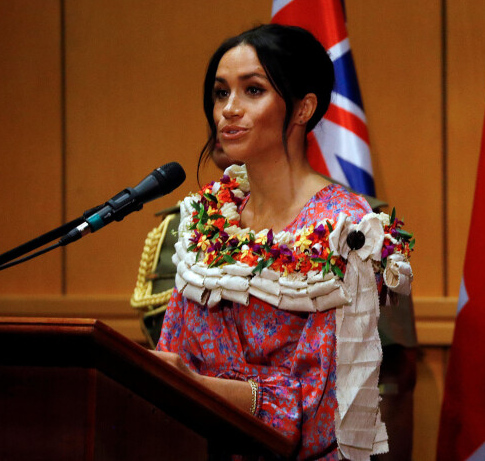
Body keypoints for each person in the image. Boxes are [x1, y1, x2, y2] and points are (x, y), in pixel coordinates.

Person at [149, 24, 414, 460]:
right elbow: (169, 364)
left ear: (303, 108)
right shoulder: (205, 219)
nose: (228, 110)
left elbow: (317, 411)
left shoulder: (347, 231)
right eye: (220, 93)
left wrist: (195, 385)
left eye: (252, 91)